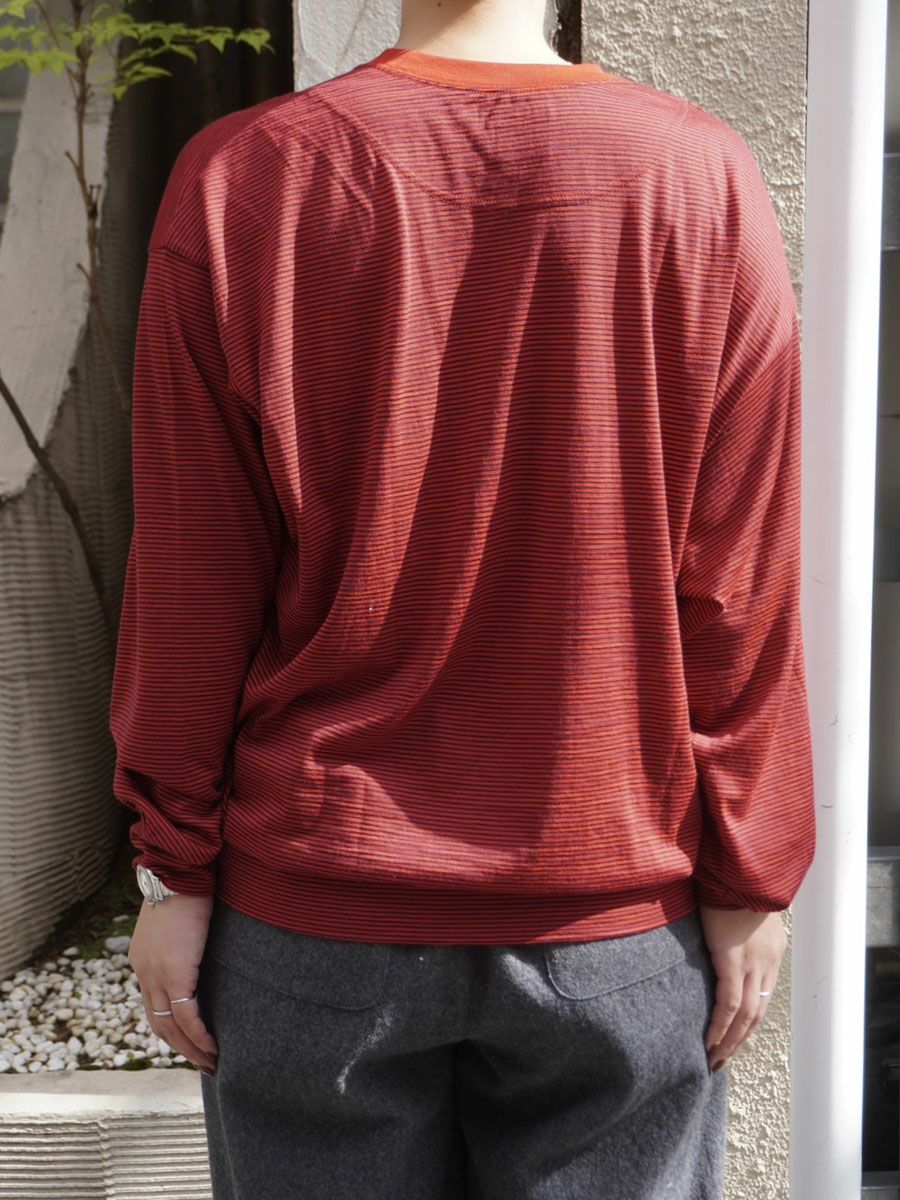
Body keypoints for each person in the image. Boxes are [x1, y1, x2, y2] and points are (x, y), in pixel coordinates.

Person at [108, 0, 816, 1195]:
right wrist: (753, 871)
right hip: (613, 918)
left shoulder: (247, 179)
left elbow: (194, 571)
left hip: (316, 920)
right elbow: (740, 575)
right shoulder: (698, 177)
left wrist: (173, 867)